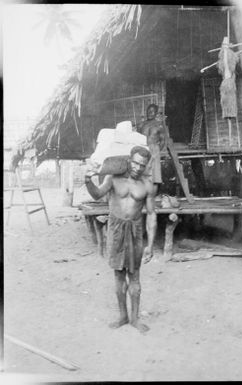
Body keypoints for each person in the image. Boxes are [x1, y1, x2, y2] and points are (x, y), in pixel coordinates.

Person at [84, 146, 157, 333]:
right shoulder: (113, 179)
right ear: (128, 160)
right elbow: (97, 194)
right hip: (116, 230)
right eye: (135, 162)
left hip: (135, 229)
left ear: (146, 166)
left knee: (135, 276)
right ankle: (123, 316)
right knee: (118, 275)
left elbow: (151, 214)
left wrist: (150, 244)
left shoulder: (147, 185)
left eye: (142, 164)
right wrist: (87, 180)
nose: (137, 167)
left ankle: (135, 318)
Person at [139, 104, 166, 193]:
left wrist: (157, 150)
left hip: (154, 148)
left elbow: (162, 141)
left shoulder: (159, 125)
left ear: (156, 113)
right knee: (143, 171)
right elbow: (137, 137)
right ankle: (143, 192)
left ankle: (155, 194)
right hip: (143, 148)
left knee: (155, 173)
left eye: (152, 111)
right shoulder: (142, 125)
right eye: (148, 111)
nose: (150, 113)